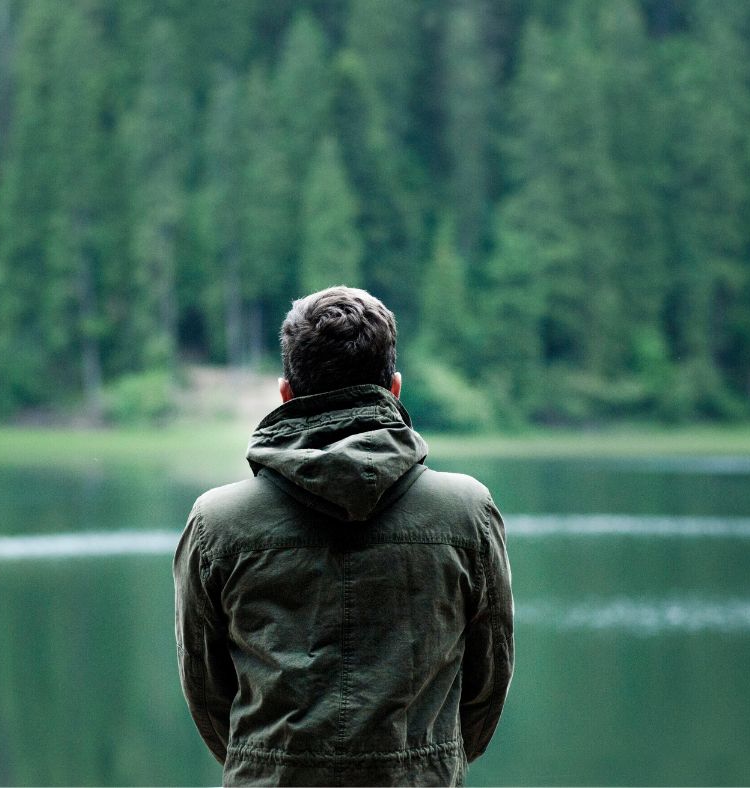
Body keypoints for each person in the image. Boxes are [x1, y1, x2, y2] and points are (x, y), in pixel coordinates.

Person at [174, 286, 514, 786]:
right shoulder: (467, 513)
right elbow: (488, 684)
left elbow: (207, 693)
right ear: (394, 388)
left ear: (286, 393)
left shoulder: (217, 523)